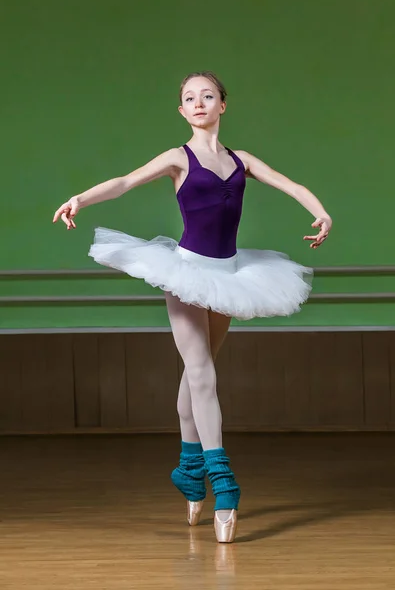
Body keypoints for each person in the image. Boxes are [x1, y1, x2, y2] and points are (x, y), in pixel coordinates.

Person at [53, 71, 332, 543]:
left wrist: (320, 211)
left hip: (229, 276)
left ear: (223, 105)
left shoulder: (242, 161)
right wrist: (81, 198)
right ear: (182, 111)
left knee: (194, 376)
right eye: (189, 98)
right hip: (185, 272)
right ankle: (223, 483)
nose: (198, 103)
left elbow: (290, 184)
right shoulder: (177, 158)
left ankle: (187, 467)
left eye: (207, 96)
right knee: (201, 373)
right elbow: (124, 182)